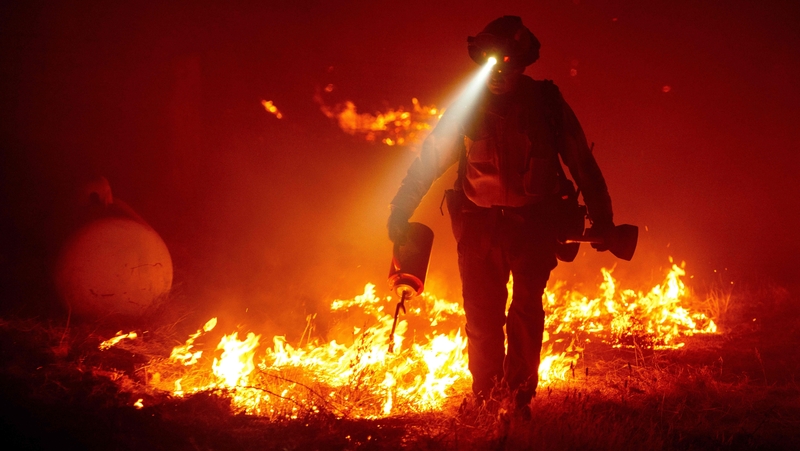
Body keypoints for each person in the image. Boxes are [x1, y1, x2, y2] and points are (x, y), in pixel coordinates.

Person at [387, 16, 615, 415]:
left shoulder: (546, 103)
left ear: (522, 64)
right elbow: (429, 160)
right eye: (490, 63)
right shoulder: (467, 107)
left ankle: (520, 398)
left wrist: (604, 220)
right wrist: (401, 207)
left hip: (533, 228)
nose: (496, 73)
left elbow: (581, 162)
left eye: (506, 63)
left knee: (526, 314)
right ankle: (487, 397)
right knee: (481, 318)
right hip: (478, 227)